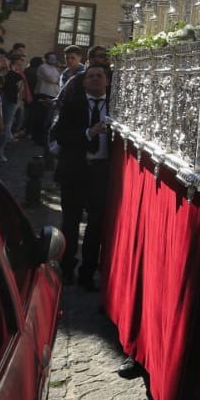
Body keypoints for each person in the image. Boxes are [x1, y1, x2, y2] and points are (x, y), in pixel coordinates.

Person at [53, 63, 112, 289]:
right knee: (70, 221)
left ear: (107, 81)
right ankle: (67, 269)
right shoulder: (71, 104)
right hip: (75, 171)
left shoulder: (117, 106)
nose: (95, 79)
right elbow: (60, 135)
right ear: (84, 81)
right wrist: (89, 133)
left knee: (96, 224)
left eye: (99, 76)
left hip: (101, 172)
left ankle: (87, 273)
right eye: (90, 76)